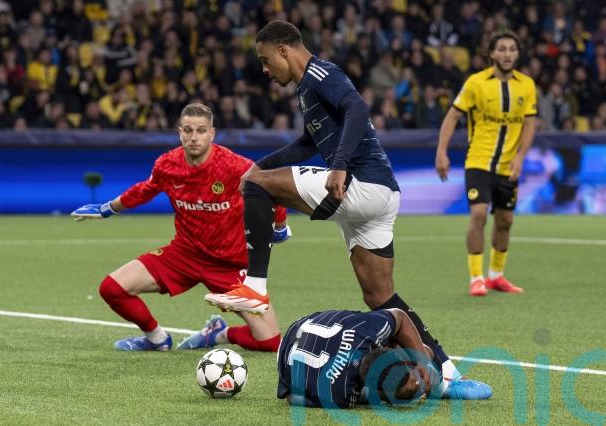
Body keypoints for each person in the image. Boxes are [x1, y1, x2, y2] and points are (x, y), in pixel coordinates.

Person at [204, 20, 484, 398]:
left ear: (284, 50)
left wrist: (337, 166)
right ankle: (448, 376)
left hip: (360, 184)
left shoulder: (321, 73)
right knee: (380, 297)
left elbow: (357, 107)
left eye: (266, 60)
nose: (265, 70)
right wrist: (260, 165)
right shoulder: (307, 88)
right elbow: (308, 143)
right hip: (381, 195)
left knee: (258, 187)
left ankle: (254, 287)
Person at [70, 103, 291, 352]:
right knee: (112, 289)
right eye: (188, 130)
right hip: (184, 255)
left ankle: (219, 334)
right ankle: (156, 338)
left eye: (201, 130)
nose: (194, 137)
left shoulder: (235, 166)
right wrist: (108, 208)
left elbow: (268, 190)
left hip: (229, 264)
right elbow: (145, 190)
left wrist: (279, 226)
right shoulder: (167, 164)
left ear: (212, 133)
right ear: (179, 132)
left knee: (269, 342)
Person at [435, 31, 537, 296]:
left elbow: (530, 124)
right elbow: (452, 116)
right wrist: (441, 152)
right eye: (501, 49)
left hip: (508, 166)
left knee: (505, 220)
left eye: (512, 49)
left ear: (518, 54)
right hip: (478, 161)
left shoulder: (526, 85)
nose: (507, 54)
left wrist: (520, 157)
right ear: (491, 53)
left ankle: (496, 275)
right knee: (479, 215)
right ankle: (476, 277)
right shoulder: (476, 82)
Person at [277, 308, 493, 408]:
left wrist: (423, 361)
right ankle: (440, 388)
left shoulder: (370, 330)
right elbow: (290, 398)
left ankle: (440, 384)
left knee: (423, 351)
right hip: (289, 348)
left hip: (306, 322)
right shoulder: (340, 395)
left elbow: (400, 316)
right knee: (407, 387)